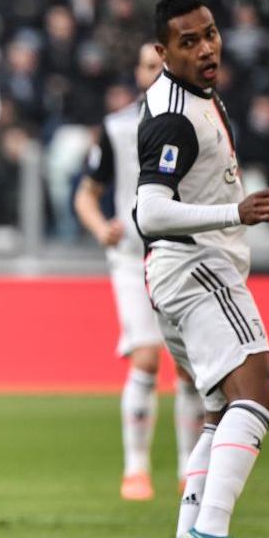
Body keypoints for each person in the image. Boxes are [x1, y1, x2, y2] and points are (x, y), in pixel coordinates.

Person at [136, 0, 269, 538]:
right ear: (162, 52)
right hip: (198, 268)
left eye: (211, 35)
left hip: (174, 275)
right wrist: (236, 212)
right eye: (189, 41)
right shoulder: (173, 116)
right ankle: (213, 532)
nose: (206, 49)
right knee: (259, 395)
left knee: (219, 412)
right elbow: (150, 209)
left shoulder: (196, 95)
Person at [74, 43, 206, 504]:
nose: (155, 75)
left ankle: (191, 470)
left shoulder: (198, 119)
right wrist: (99, 228)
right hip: (133, 257)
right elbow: (86, 193)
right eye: (149, 66)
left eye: (162, 68)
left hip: (184, 255)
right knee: (147, 358)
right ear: (137, 71)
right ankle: (136, 469)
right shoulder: (117, 127)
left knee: (190, 369)